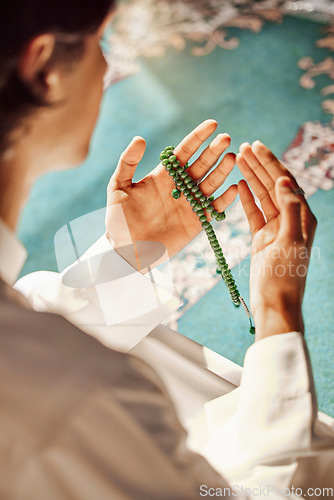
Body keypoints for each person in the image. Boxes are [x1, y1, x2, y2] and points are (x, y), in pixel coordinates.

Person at [0, 1, 333, 499]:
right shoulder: (80, 402)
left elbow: (33, 323)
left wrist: (123, 259)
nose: (110, 66)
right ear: (45, 68)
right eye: (101, 42)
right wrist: (276, 314)